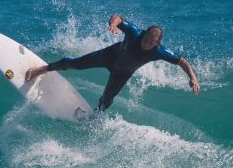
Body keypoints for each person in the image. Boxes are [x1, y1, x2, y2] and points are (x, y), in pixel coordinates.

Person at [25, 14, 200, 111]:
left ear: (157, 44)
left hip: (123, 73)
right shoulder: (134, 33)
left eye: (150, 42)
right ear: (144, 33)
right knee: (75, 64)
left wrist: (192, 77)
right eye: (145, 38)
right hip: (108, 56)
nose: (145, 43)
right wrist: (113, 25)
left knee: (107, 99)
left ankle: (94, 118)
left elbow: (181, 61)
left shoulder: (160, 52)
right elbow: (117, 17)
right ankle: (42, 69)